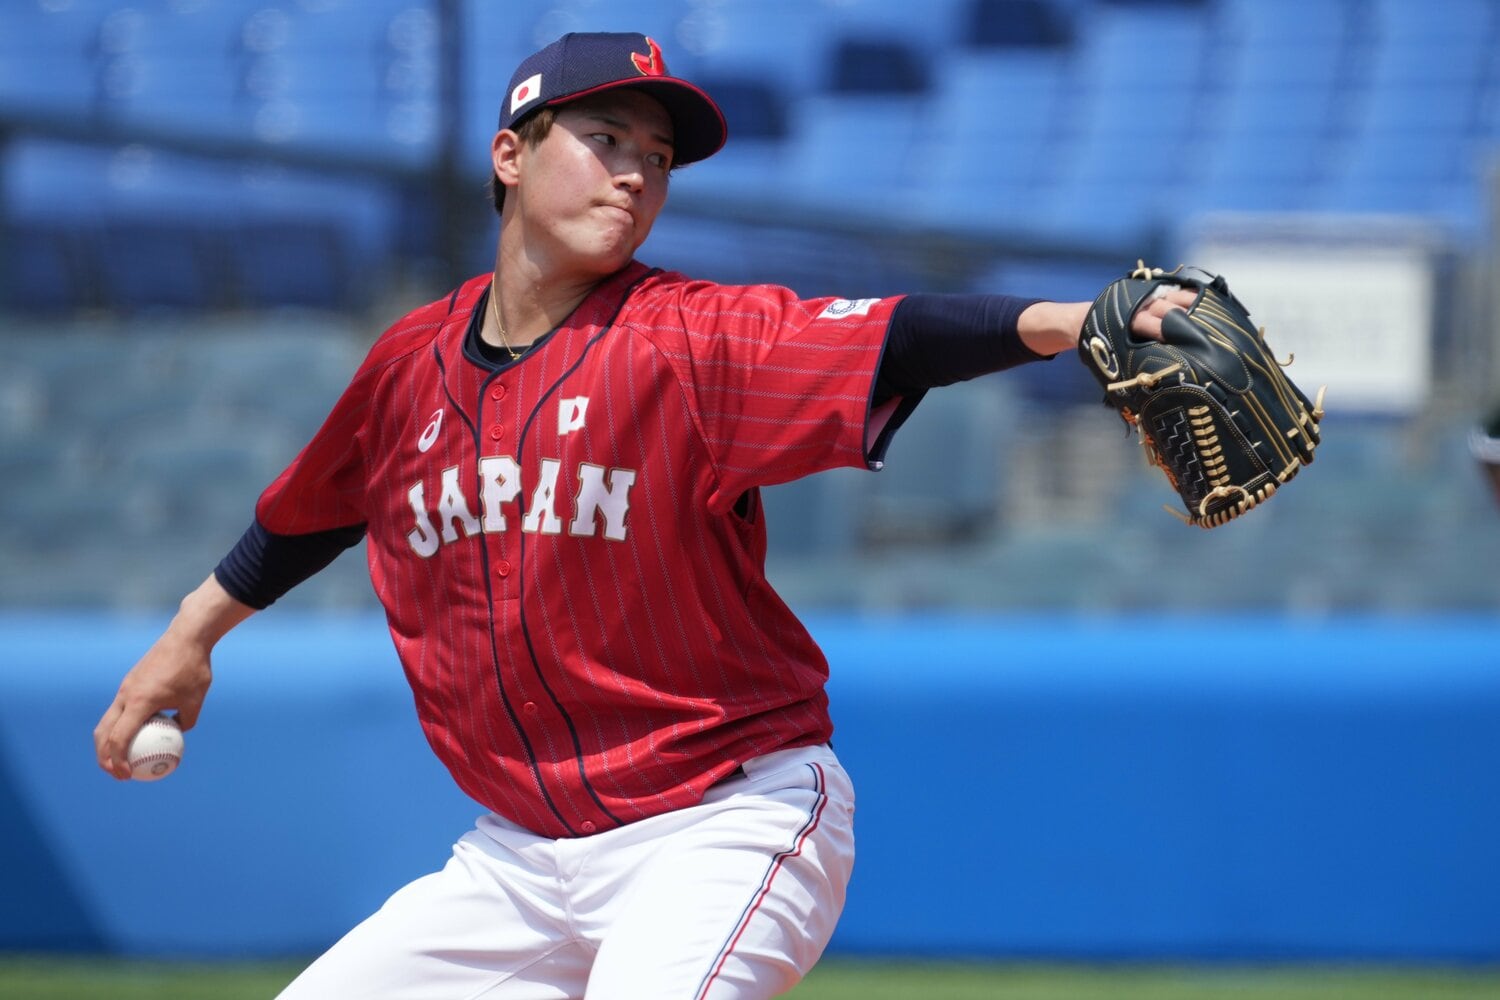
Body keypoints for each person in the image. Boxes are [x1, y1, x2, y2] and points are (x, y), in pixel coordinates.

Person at [93, 31, 1193, 999]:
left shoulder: (688, 338)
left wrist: (1069, 321)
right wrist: (189, 638)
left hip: (721, 821)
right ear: (511, 152)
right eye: (607, 139)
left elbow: (892, 333)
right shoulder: (405, 368)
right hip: (518, 863)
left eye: (656, 160)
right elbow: (313, 511)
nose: (636, 175)